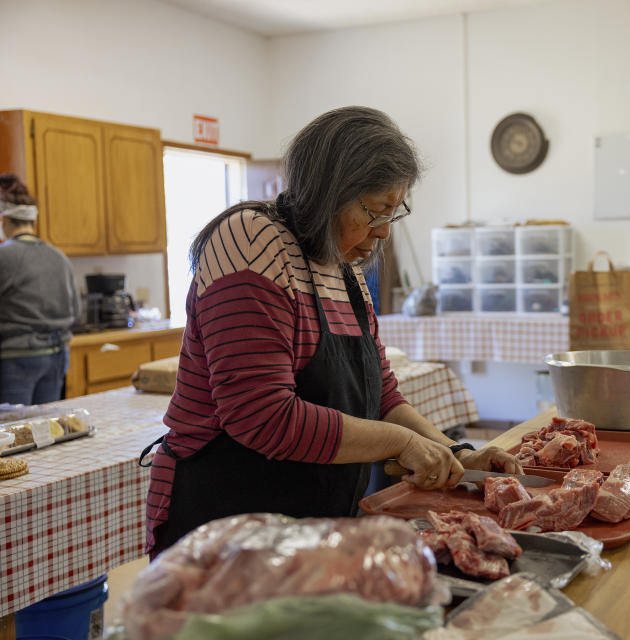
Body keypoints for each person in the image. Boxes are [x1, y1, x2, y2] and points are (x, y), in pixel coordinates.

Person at [140, 107, 522, 558]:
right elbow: (262, 416)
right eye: (375, 210)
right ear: (327, 192)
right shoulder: (249, 241)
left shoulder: (343, 268)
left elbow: (381, 398)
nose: (382, 231)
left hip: (312, 523)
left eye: (392, 213)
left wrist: (457, 452)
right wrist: (401, 443)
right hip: (229, 527)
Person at [0, 174, 79, 404]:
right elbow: (76, 312)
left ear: (3, 220)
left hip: (17, 357)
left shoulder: (5, 256)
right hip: (57, 357)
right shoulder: (59, 256)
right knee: (46, 430)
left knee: (14, 433)